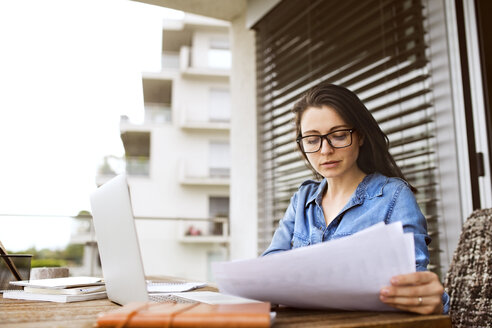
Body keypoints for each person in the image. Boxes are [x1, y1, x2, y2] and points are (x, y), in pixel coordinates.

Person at [262, 83, 449, 314]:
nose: (325, 150)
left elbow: (412, 283)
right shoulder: (302, 199)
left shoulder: (393, 196)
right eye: (312, 140)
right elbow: (270, 267)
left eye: (339, 136)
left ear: (360, 136)